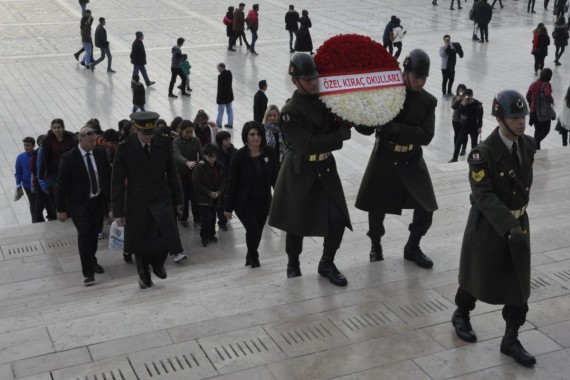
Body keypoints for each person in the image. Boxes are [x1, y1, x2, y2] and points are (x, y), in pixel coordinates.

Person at [452, 90, 537, 368]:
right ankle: (461, 313)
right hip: (489, 226)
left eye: (523, 116)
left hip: (517, 224)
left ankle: (510, 338)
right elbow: (483, 194)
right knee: (477, 275)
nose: (521, 123)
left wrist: (517, 221)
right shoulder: (482, 154)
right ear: (500, 119)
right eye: (515, 118)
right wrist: (508, 222)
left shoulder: (527, 145)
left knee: (519, 284)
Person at [268, 53, 352, 287]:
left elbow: (342, 120)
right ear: (295, 81)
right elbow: (307, 145)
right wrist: (339, 136)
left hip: (324, 167)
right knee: (296, 223)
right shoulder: (290, 111)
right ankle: (293, 264)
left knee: (337, 219)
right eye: (308, 79)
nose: (314, 82)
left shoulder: (325, 100)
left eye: (315, 77)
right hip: (300, 170)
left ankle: (327, 262)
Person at [355, 49, 438, 269]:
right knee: (376, 205)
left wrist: (397, 129)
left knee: (426, 205)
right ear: (405, 71)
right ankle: (375, 244)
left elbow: (426, 136)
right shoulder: (387, 94)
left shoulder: (428, 101)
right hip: (385, 156)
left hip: (411, 158)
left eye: (423, 78)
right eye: (416, 76)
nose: (420, 82)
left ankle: (412, 246)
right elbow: (366, 127)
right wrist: (358, 115)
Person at [112, 112, 187, 289]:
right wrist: (118, 212)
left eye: (150, 133)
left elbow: (172, 173)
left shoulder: (162, 143)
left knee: (165, 234)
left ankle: (157, 262)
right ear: (136, 129)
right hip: (137, 200)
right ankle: (144, 274)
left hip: (161, 196)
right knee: (140, 239)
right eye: (144, 134)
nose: (148, 137)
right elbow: (117, 182)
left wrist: (178, 199)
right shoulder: (124, 147)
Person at [56, 124, 112, 285]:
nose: (93, 144)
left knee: (94, 234)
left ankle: (92, 260)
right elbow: (61, 185)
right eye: (90, 142)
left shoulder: (101, 153)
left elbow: (107, 177)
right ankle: (88, 272)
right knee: (85, 233)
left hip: (97, 201)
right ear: (80, 140)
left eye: (95, 141)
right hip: (79, 204)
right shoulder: (69, 158)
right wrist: (61, 209)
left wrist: (110, 203)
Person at [225, 122, 278, 268]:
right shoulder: (239, 156)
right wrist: (228, 207)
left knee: (257, 232)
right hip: (244, 203)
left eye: (259, 134)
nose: (256, 137)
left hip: (264, 201)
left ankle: (250, 253)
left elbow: (275, 178)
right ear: (246, 137)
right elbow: (232, 182)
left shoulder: (269, 152)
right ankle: (254, 256)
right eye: (252, 134)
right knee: (253, 229)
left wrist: (281, 199)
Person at [192, 143, 225, 247]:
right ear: (205, 155)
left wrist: (219, 192)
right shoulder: (199, 167)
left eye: (214, 156)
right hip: (204, 197)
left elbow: (223, 181)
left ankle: (211, 234)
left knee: (213, 217)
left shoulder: (219, 165)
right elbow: (196, 183)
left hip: (215, 197)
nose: (213, 159)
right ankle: (204, 237)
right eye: (210, 156)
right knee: (207, 217)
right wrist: (209, 193)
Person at [40, 119, 78, 208]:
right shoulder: (47, 141)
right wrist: (42, 176)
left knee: (70, 191)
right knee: (58, 191)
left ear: (63, 128)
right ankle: (61, 210)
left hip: (69, 169)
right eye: (54, 128)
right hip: (55, 171)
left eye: (59, 127)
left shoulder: (71, 138)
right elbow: (44, 159)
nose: (57, 130)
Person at [172, 120, 203, 230]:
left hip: (194, 173)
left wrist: (204, 162)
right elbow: (177, 155)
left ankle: (197, 219)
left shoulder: (196, 141)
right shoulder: (176, 142)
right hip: (181, 173)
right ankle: (183, 218)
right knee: (183, 196)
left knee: (195, 197)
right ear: (181, 131)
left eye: (191, 132)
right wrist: (186, 162)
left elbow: (202, 153)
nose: (190, 134)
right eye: (187, 132)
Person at [449, 89, 483, 162]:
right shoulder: (463, 103)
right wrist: (462, 105)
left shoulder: (478, 104)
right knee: (458, 143)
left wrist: (480, 127)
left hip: (474, 127)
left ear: (472, 95)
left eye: (468, 96)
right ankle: (455, 158)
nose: (467, 98)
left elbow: (480, 117)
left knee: (474, 145)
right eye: (465, 96)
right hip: (464, 126)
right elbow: (458, 113)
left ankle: (475, 159)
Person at [526, 68, 554, 149]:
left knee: (537, 130)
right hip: (543, 112)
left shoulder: (533, 84)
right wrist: (552, 101)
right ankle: (534, 143)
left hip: (533, 111)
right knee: (545, 130)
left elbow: (528, 96)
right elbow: (547, 94)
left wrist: (532, 104)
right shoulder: (546, 84)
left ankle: (536, 149)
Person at [215, 130, 237, 231]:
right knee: (220, 202)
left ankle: (227, 215)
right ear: (220, 141)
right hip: (220, 181)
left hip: (231, 180)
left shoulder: (233, 150)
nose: (228, 142)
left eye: (229, 139)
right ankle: (222, 221)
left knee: (229, 199)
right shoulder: (215, 152)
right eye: (226, 140)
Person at [30, 135, 55, 222]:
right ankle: (39, 220)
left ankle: (50, 217)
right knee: (41, 203)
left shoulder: (49, 150)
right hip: (41, 182)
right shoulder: (38, 152)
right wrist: (43, 184)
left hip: (47, 181)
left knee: (48, 202)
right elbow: (35, 169)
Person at [15, 137, 37, 223]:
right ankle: (35, 220)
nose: (26, 147)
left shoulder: (37, 155)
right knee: (33, 203)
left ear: (33, 145)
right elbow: (18, 172)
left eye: (28, 145)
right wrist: (18, 185)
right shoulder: (20, 157)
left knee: (41, 203)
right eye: (25, 145)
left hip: (38, 184)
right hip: (28, 185)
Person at [451, 84, 468, 157]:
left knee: (464, 134)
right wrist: (457, 101)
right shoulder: (455, 97)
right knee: (456, 134)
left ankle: (463, 148)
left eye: (462, 90)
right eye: (459, 90)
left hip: (463, 120)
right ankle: (456, 147)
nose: (461, 91)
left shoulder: (466, 98)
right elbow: (453, 107)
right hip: (455, 119)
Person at [216, 63, 234, 129]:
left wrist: (218, 100)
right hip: (229, 96)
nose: (217, 69)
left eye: (218, 68)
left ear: (221, 67)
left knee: (220, 111)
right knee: (229, 110)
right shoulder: (229, 73)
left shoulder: (220, 77)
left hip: (222, 98)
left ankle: (219, 123)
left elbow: (220, 89)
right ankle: (230, 123)